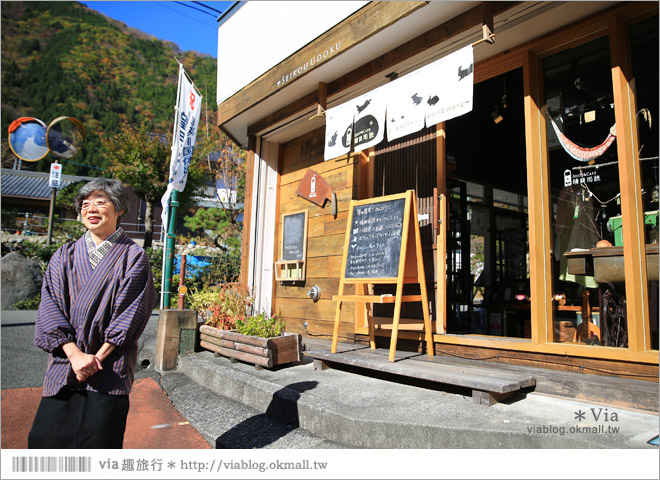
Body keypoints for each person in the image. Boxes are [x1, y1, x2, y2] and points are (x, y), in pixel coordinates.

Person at [28, 177, 157, 449]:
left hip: (108, 368)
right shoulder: (63, 255)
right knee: (45, 442)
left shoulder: (134, 257)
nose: (91, 209)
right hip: (66, 365)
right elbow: (50, 307)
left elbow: (130, 315)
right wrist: (75, 356)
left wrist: (93, 361)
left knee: (98, 445)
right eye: (85, 204)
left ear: (120, 209)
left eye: (101, 202)